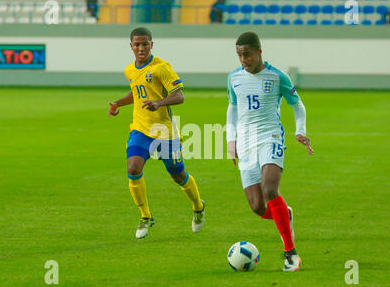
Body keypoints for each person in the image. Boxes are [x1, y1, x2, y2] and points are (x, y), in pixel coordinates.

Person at [226, 32, 313, 272]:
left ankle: (290, 253)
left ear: (259, 52)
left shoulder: (277, 76)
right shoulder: (233, 78)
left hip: (270, 137)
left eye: (247, 54)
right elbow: (232, 108)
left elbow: (298, 104)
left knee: (270, 188)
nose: (243, 59)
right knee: (257, 206)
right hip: (245, 143)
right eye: (239, 55)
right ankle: (285, 214)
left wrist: (300, 130)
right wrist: (230, 141)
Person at [107, 27, 205, 239]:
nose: (141, 48)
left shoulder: (162, 68)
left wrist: (159, 102)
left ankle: (198, 206)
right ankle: (145, 216)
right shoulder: (129, 70)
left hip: (164, 131)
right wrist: (118, 104)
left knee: (178, 175)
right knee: (133, 168)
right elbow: (137, 92)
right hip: (141, 129)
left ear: (152, 44)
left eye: (145, 44)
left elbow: (179, 96)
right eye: (137, 44)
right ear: (131, 46)